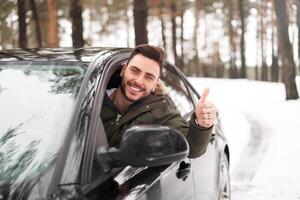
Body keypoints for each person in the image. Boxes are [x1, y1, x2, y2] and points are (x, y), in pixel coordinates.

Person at [101, 44, 217, 158]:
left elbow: (191, 147)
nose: (139, 80)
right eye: (135, 71)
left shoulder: (160, 111)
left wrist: (202, 124)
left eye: (149, 77)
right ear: (123, 70)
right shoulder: (91, 99)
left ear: (155, 84)